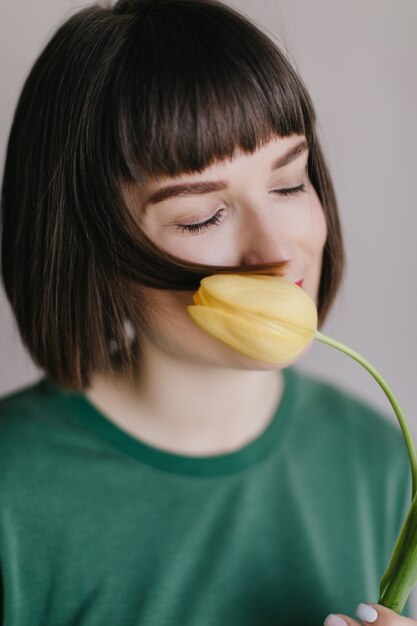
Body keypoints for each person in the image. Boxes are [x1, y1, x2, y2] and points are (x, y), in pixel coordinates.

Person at [0, 1, 413, 624]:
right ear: (90, 247)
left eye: (289, 182)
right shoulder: (12, 493)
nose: (276, 252)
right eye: (201, 217)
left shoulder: (379, 464)